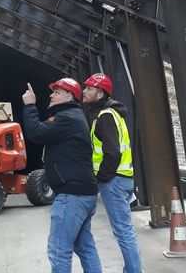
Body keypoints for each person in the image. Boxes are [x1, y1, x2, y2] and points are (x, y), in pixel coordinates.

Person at [22, 78, 101, 273]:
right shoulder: (73, 116)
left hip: (72, 194)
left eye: (56, 92)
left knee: (59, 250)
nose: (51, 95)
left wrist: (30, 105)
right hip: (83, 192)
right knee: (85, 247)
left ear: (69, 96)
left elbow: (36, 132)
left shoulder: (67, 118)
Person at [82, 73, 142, 273]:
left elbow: (112, 152)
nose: (84, 91)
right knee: (126, 231)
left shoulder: (105, 116)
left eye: (89, 89)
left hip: (114, 181)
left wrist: (102, 178)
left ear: (100, 94)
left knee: (123, 232)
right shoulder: (113, 114)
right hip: (123, 178)